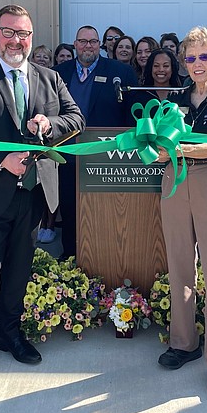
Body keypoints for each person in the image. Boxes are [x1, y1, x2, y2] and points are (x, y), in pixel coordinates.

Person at [0, 4, 84, 393]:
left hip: (34, 193)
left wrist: (51, 123)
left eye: (23, 33)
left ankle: (10, 332)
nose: (16, 40)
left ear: (31, 36)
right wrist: (2, 159)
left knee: (19, 267)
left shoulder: (49, 77)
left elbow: (76, 119)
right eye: (8, 32)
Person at [155, 26, 207, 396]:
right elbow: (158, 143)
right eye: (190, 58)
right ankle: (183, 343)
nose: (197, 63)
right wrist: (166, 150)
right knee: (179, 264)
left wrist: (178, 150)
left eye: (204, 56)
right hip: (176, 181)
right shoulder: (175, 99)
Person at [54, 25, 138, 258]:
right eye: (83, 41)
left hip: (106, 154)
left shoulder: (120, 72)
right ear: (75, 44)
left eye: (92, 42)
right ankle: (70, 254)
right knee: (70, 206)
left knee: (105, 208)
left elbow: (131, 115)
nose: (87, 46)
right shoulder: (58, 72)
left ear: (99, 45)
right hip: (68, 153)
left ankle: (107, 254)